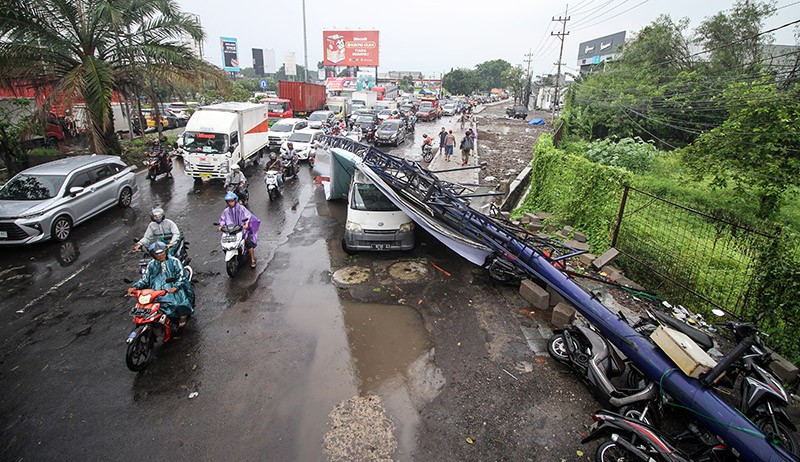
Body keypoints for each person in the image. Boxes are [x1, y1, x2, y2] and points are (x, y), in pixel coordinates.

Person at [127, 241, 194, 328]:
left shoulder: (175, 261)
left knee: (178, 301)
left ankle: (183, 315)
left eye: (162, 253)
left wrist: (176, 286)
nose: (160, 255)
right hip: (157, 290)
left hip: (172, 286)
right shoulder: (151, 264)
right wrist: (135, 286)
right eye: (157, 254)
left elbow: (181, 275)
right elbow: (145, 279)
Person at [218, 192, 261, 268]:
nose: (230, 203)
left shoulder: (241, 208)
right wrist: (221, 226)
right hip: (230, 230)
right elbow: (223, 219)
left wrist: (246, 224)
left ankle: (252, 259)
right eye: (229, 201)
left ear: (235, 200)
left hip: (241, 230)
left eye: (232, 201)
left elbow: (247, 216)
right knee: (224, 244)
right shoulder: (226, 211)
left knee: (248, 243)